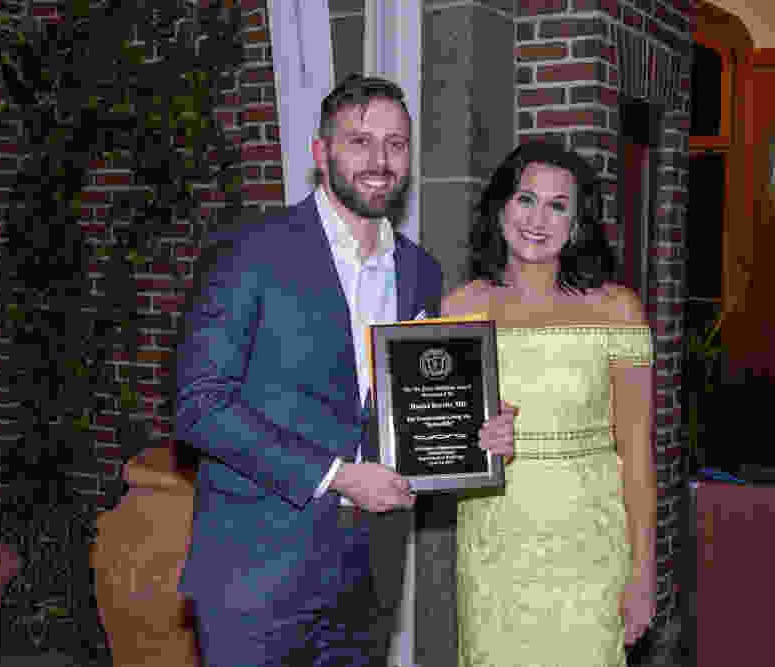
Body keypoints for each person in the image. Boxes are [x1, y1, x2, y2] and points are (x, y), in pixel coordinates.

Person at [174, 73, 517, 667]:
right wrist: (335, 475)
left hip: (367, 577)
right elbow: (200, 406)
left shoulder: (420, 272)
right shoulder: (248, 251)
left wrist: (476, 432)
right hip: (256, 575)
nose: (380, 161)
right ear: (321, 151)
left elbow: (410, 409)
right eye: (360, 142)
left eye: (396, 144)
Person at [442, 141, 657, 666]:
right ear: (500, 208)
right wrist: (471, 443)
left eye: (558, 206)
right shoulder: (460, 308)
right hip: (495, 555)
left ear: (578, 223)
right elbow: (439, 444)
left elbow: (637, 454)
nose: (538, 220)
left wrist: (643, 573)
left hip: (590, 557)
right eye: (525, 199)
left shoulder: (618, 310)